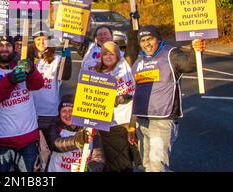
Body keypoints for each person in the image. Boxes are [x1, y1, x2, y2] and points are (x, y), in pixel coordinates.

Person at [130, 25, 206, 172]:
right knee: (146, 165)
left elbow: (190, 64)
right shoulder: (139, 61)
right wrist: (132, 125)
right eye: (143, 40)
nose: (147, 43)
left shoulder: (171, 54)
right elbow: (135, 94)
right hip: (142, 122)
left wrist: (196, 49)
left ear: (158, 39)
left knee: (158, 167)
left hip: (162, 120)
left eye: (150, 39)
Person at [0, 35, 45, 172]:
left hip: (28, 138)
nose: (4, 49)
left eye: (8, 45)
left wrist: (31, 70)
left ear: (13, 48)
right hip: (2, 141)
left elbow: (38, 84)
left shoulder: (22, 65)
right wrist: (11, 80)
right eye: (0, 45)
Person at [27, 29, 72, 172]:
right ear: (33, 42)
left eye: (44, 38)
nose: (41, 42)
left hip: (50, 113)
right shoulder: (28, 60)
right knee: (32, 152)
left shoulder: (57, 59)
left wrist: (67, 51)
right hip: (31, 113)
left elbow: (66, 75)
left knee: (48, 150)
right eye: (38, 39)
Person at [94, 41, 136, 172]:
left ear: (118, 55)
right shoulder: (97, 72)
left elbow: (130, 93)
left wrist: (116, 99)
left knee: (123, 161)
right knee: (110, 161)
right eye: (105, 53)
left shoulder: (124, 67)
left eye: (112, 53)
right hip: (105, 123)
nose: (108, 56)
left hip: (123, 122)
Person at [45, 94, 105, 172]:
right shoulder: (54, 126)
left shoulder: (91, 129)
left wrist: (88, 169)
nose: (68, 115)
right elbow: (55, 145)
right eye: (64, 111)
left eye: (71, 111)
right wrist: (77, 141)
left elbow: (99, 160)